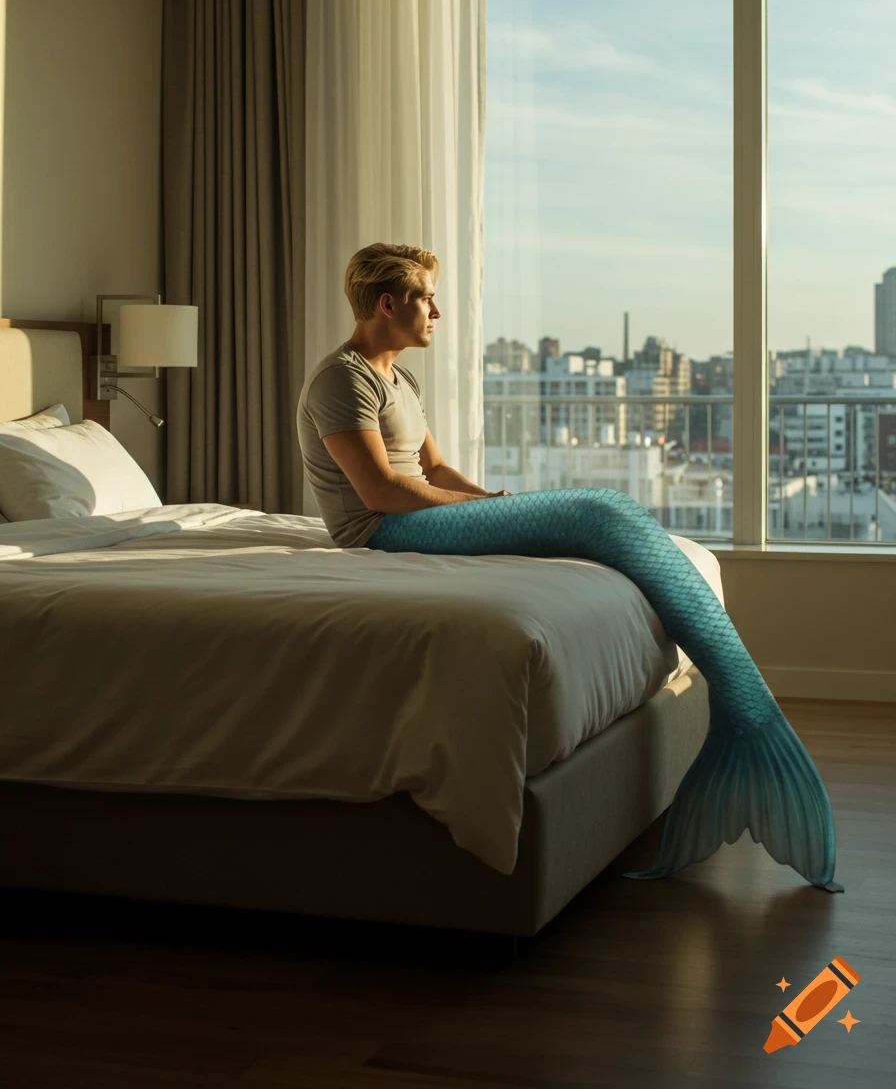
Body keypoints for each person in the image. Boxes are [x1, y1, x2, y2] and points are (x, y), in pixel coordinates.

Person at [297, 243, 842, 893]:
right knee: (599, 514)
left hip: (415, 515)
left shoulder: (399, 378)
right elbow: (381, 493)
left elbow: (435, 471)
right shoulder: (342, 379)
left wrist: (495, 505)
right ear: (389, 304)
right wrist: (502, 513)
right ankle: (749, 709)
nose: (437, 311)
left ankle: (743, 704)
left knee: (602, 516)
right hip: (381, 534)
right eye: (426, 298)